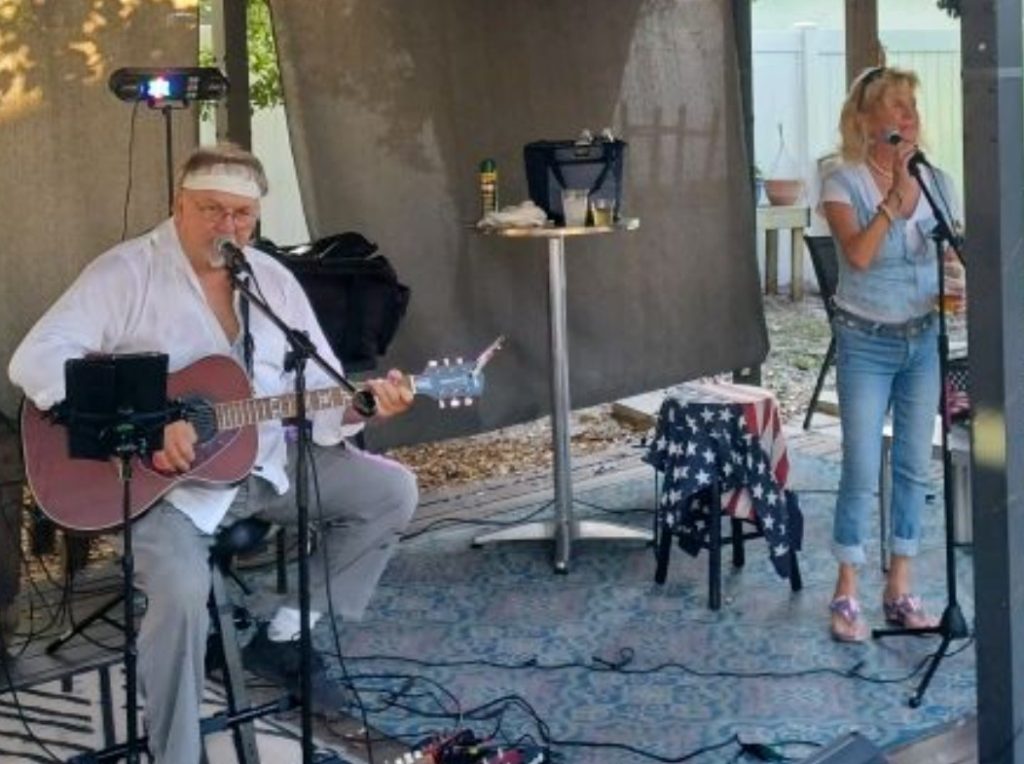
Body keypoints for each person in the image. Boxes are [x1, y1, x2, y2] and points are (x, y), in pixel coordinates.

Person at [8, 143, 419, 763]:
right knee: (178, 590)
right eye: (211, 210)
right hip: (163, 491)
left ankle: (283, 628)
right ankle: (174, 752)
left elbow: (323, 387)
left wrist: (361, 406)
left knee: (392, 491)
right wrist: (150, 424)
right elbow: (33, 359)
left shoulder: (272, 282)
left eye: (242, 216)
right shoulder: (127, 273)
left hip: (263, 469)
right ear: (178, 204)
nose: (228, 227)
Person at [819, 66, 965, 642]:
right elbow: (856, 256)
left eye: (912, 107)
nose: (908, 117)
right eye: (895, 107)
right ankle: (846, 589)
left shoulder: (940, 182)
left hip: (922, 339)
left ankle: (899, 587)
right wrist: (894, 200)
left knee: (911, 464)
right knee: (859, 466)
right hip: (865, 341)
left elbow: (953, 254)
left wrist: (957, 279)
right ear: (865, 121)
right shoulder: (842, 182)